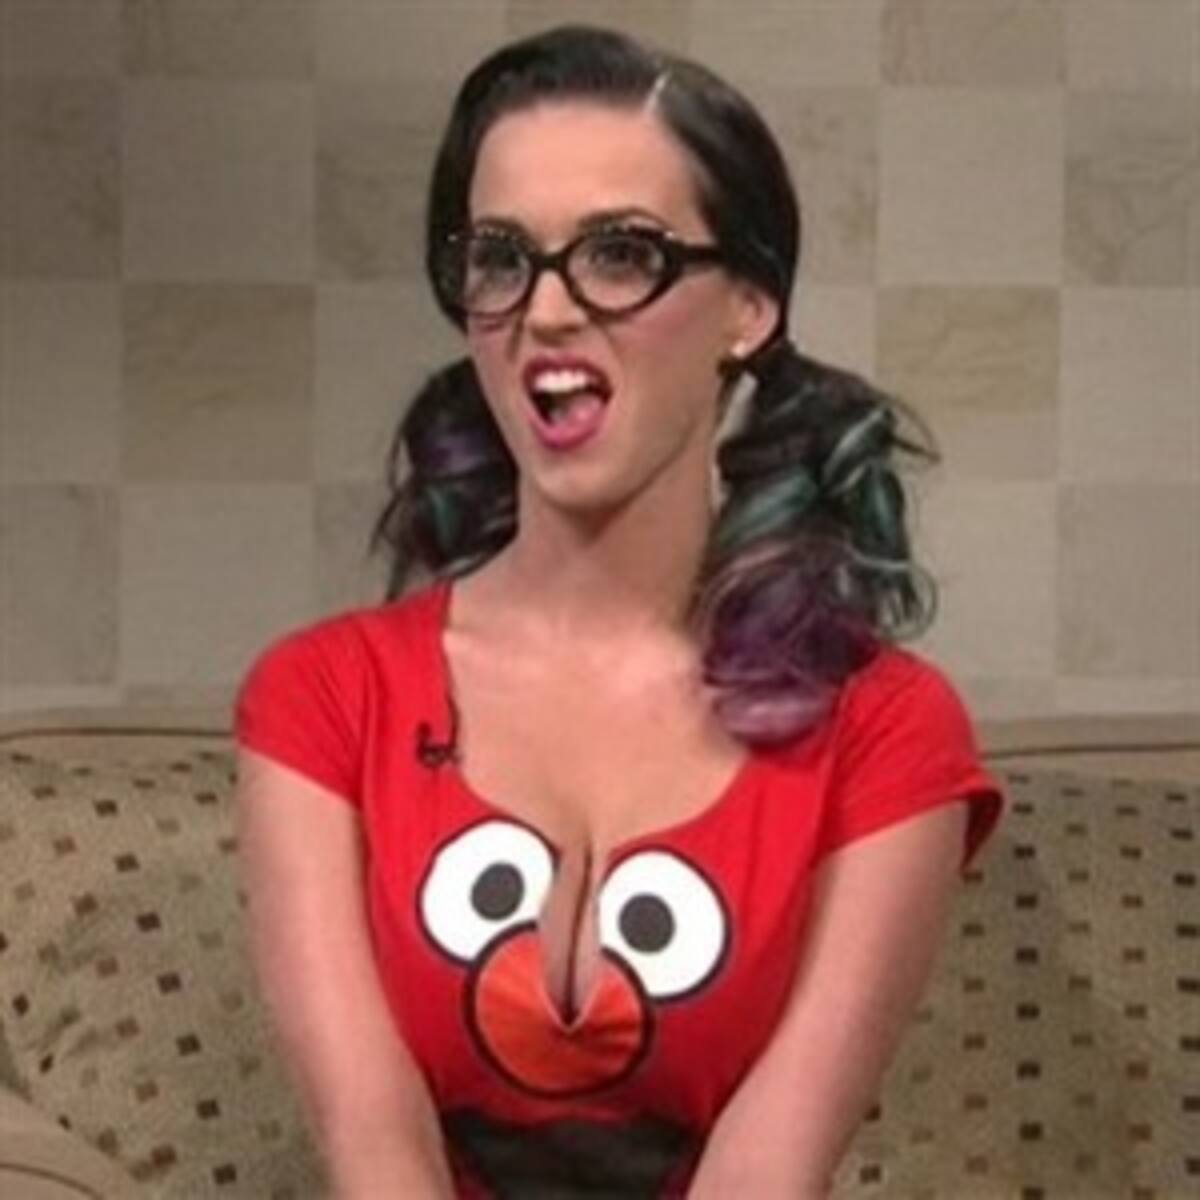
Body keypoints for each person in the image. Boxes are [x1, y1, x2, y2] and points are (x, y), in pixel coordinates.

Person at [234, 24, 1003, 1200]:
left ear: (749, 307)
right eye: (502, 259)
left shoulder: (887, 727)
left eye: (621, 253)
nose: (547, 312)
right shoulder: (325, 697)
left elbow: (769, 1170)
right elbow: (374, 1146)